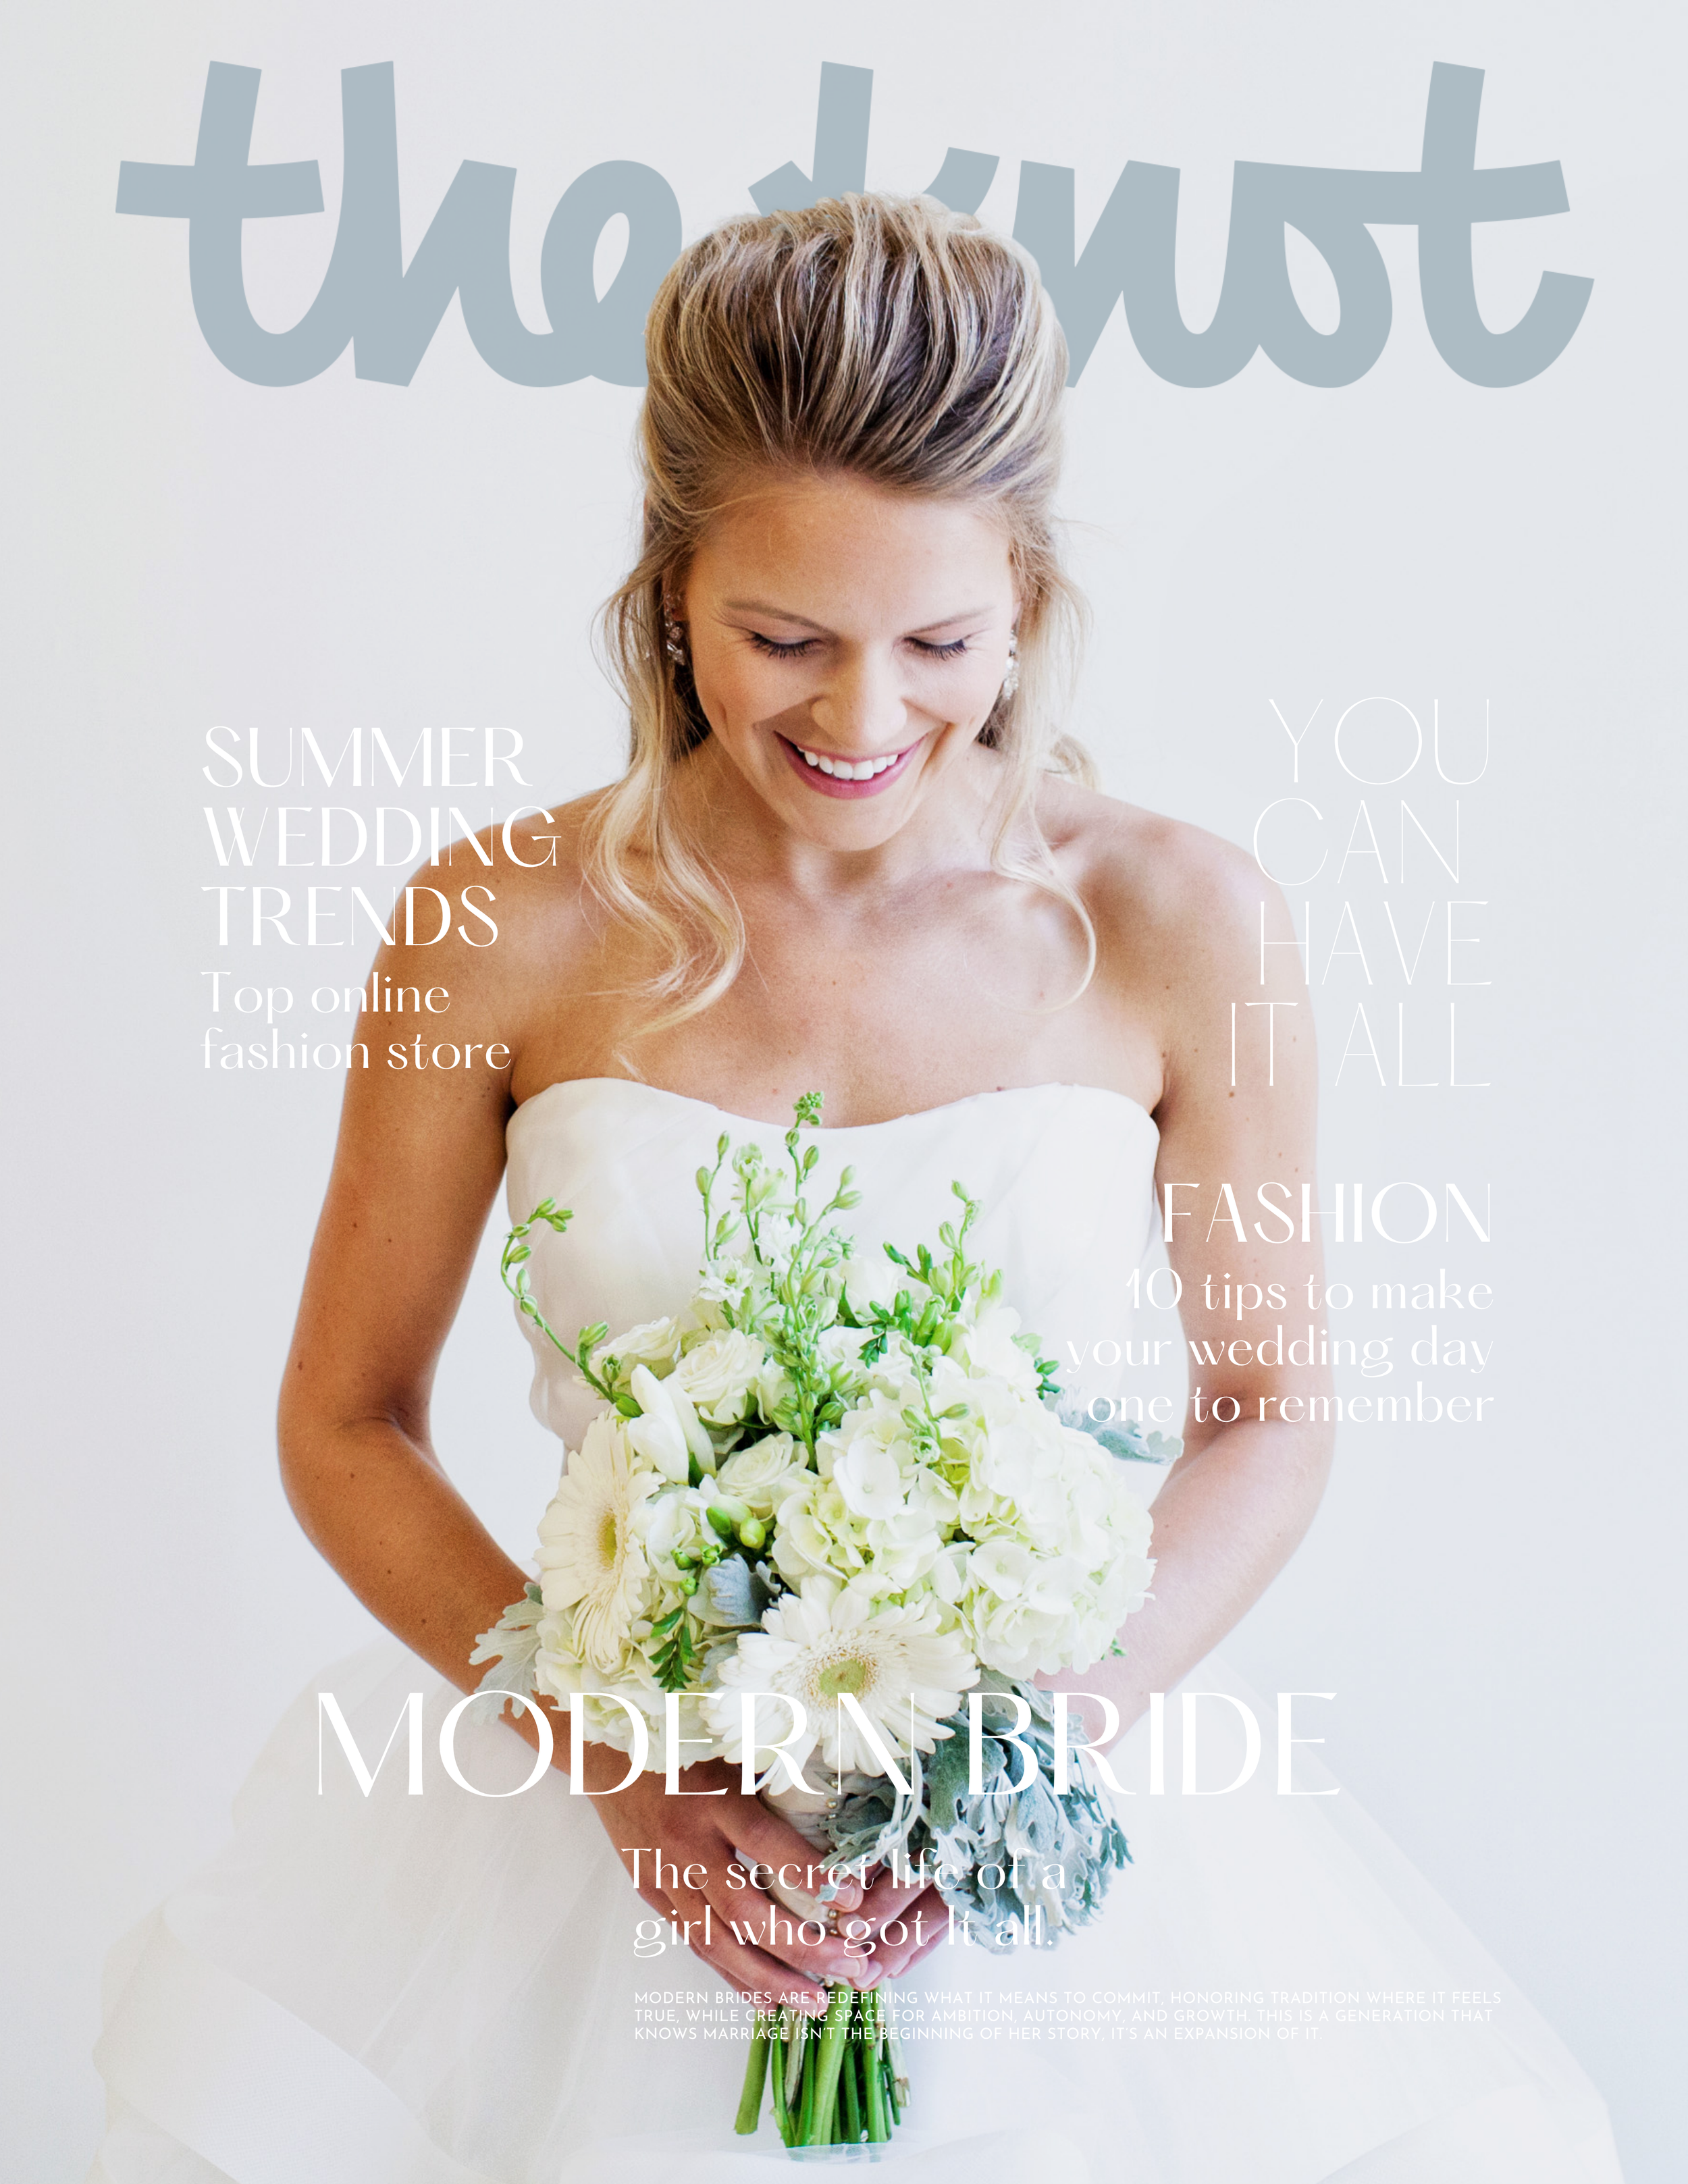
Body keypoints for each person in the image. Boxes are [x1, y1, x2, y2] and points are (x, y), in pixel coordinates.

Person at [88, 194, 1622, 2183]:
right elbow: (347, 1418)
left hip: (1050, 1846)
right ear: (668, 592)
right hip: (583, 1847)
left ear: (1029, 596)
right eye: (784, 640)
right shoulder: (490, 927)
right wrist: (618, 1762)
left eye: (941, 646)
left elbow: (1271, 1410)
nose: (865, 718)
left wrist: (1025, 1752)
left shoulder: (1188, 923)